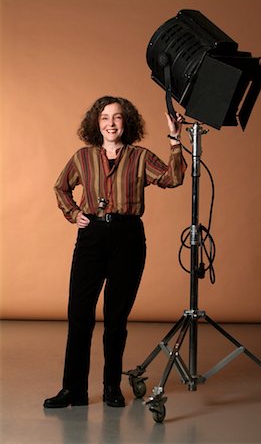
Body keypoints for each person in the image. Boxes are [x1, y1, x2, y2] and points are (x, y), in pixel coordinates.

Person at [43, 95, 187, 409]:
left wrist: (175, 139)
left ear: (127, 123)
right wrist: (73, 213)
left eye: (118, 117)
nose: (111, 123)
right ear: (96, 123)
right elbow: (61, 187)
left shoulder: (140, 156)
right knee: (79, 314)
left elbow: (173, 178)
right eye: (105, 117)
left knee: (115, 317)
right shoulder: (83, 157)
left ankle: (111, 387)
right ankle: (73, 390)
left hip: (128, 237)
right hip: (92, 236)